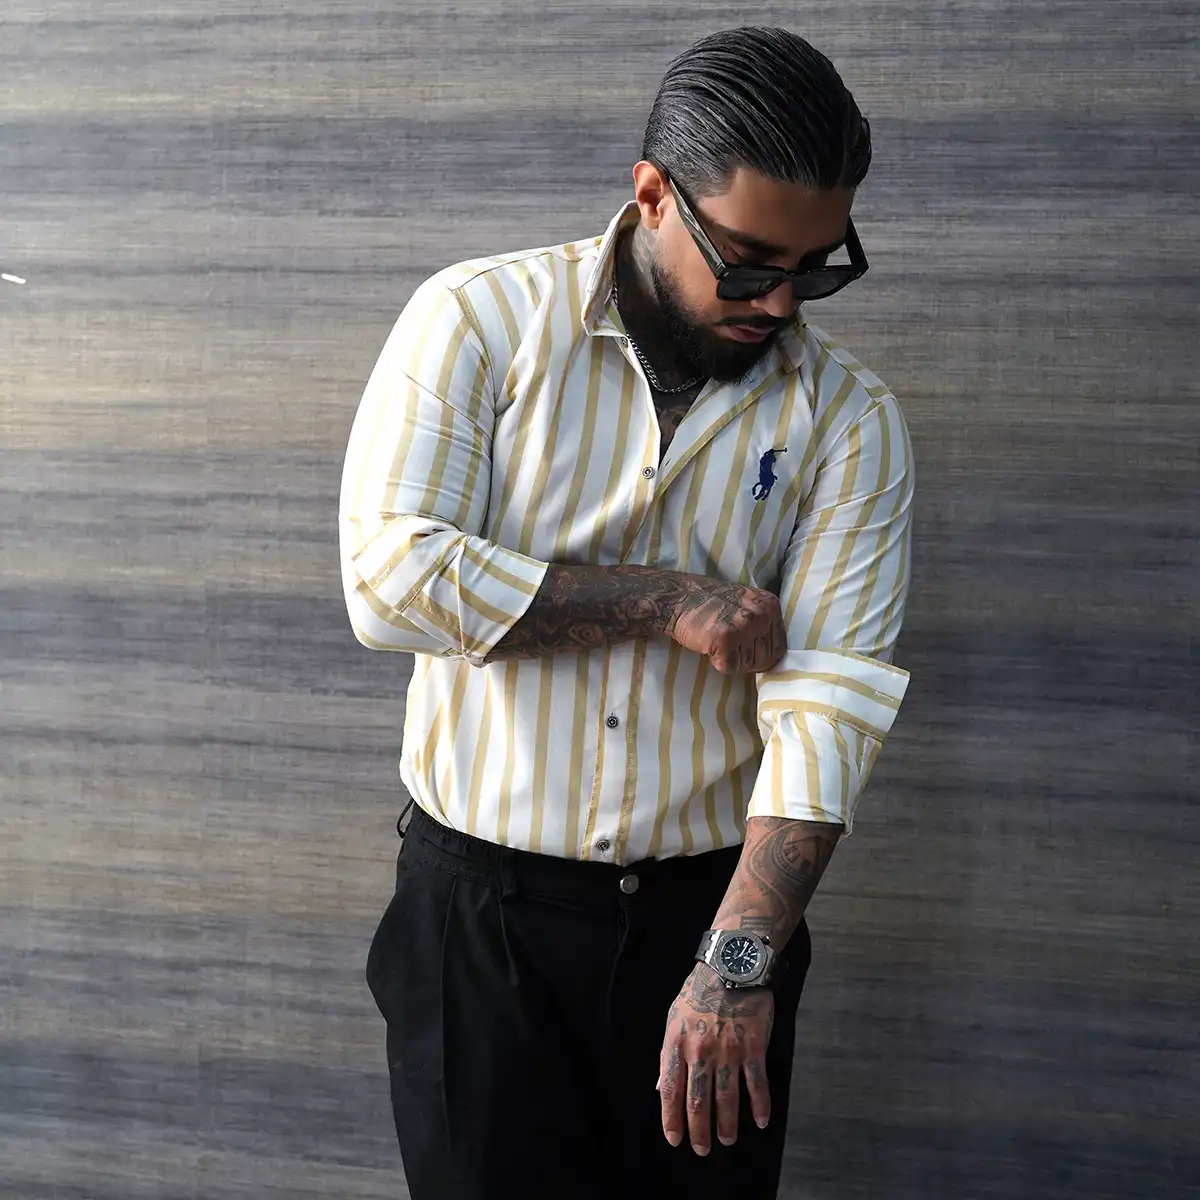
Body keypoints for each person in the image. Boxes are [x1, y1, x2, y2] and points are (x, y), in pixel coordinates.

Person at [339, 24, 914, 1200]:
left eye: (817, 267)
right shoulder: (478, 323)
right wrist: (666, 602)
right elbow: (389, 580)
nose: (783, 302)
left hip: (712, 922)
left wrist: (736, 968)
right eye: (750, 263)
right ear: (653, 196)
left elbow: (828, 712)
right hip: (480, 921)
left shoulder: (850, 420)